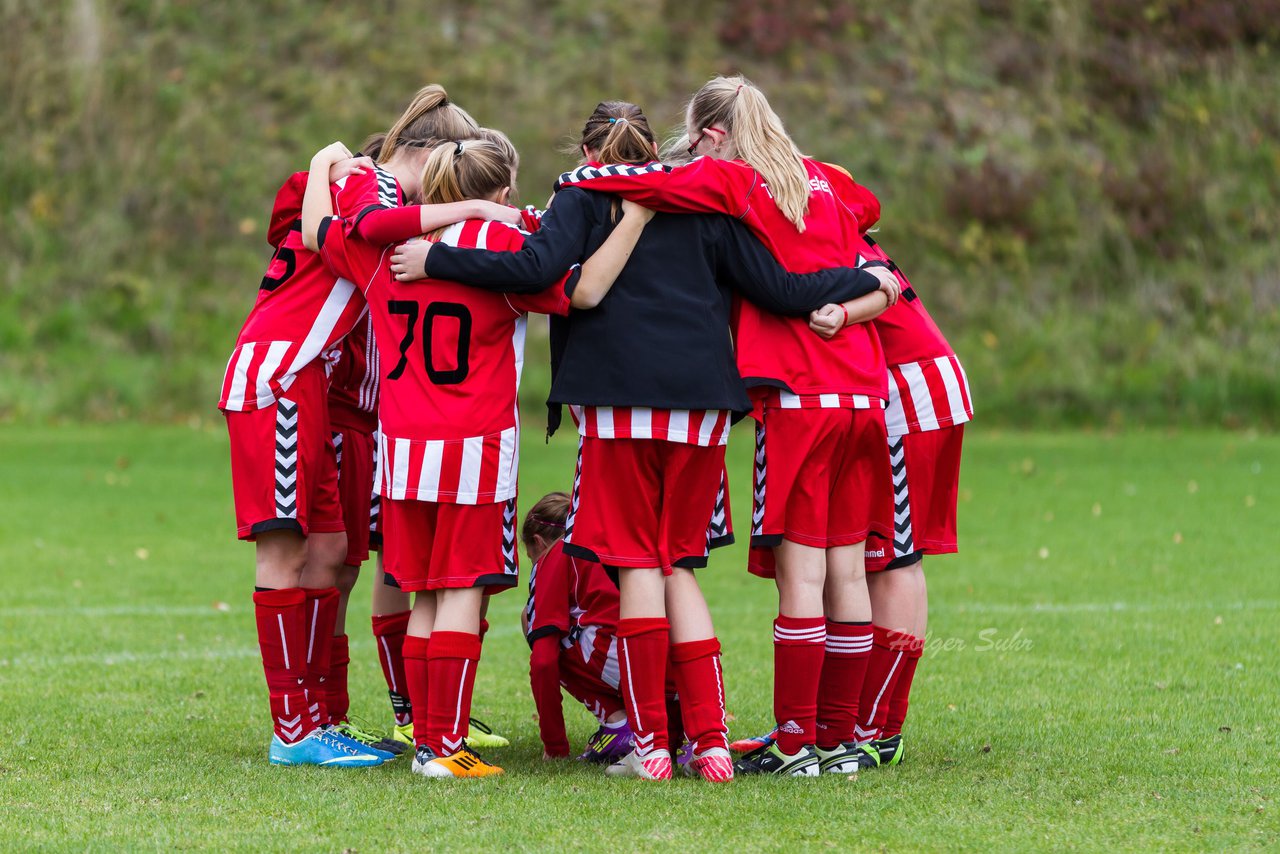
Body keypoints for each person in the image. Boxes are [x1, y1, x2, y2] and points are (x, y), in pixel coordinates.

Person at [389, 100, 899, 781]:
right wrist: (869, 281)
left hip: (616, 403)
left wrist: (437, 261)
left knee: (636, 569)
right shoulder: (703, 199)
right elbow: (781, 289)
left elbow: (538, 269)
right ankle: (712, 744)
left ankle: (652, 747)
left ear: (588, 149)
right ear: (658, 146)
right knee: (678, 567)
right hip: (704, 405)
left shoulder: (583, 192)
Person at [546, 78, 899, 776]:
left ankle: (750, 744)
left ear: (709, 136)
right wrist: (875, 290)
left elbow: (580, 244)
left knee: (668, 567)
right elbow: (851, 248)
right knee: (840, 574)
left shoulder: (724, 184)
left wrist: (573, 179)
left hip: (781, 397)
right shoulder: (823, 179)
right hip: (847, 391)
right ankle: (824, 741)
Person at [301, 134, 648, 778]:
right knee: (461, 590)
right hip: (475, 452)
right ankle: (442, 748)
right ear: (503, 191)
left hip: (400, 452)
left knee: (425, 594)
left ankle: (426, 737)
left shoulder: (386, 253)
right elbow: (587, 291)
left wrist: (323, 164)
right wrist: (634, 217)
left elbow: (320, 231)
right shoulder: (511, 248)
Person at [214, 79, 491, 766]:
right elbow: (343, 230)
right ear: (431, 154)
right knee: (284, 551)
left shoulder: (367, 183)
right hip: (275, 377)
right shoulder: (370, 183)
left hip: (305, 385)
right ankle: (294, 731)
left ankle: (321, 716)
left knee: (332, 550)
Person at [521, 492, 635, 763]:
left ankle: (618, 724)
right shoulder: (607, 531)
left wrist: (554, 744)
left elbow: (543, 662)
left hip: (625, 653)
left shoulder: (556, 554)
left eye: (531, 557)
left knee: (533, 622)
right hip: (665, 658)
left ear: (538, 542)